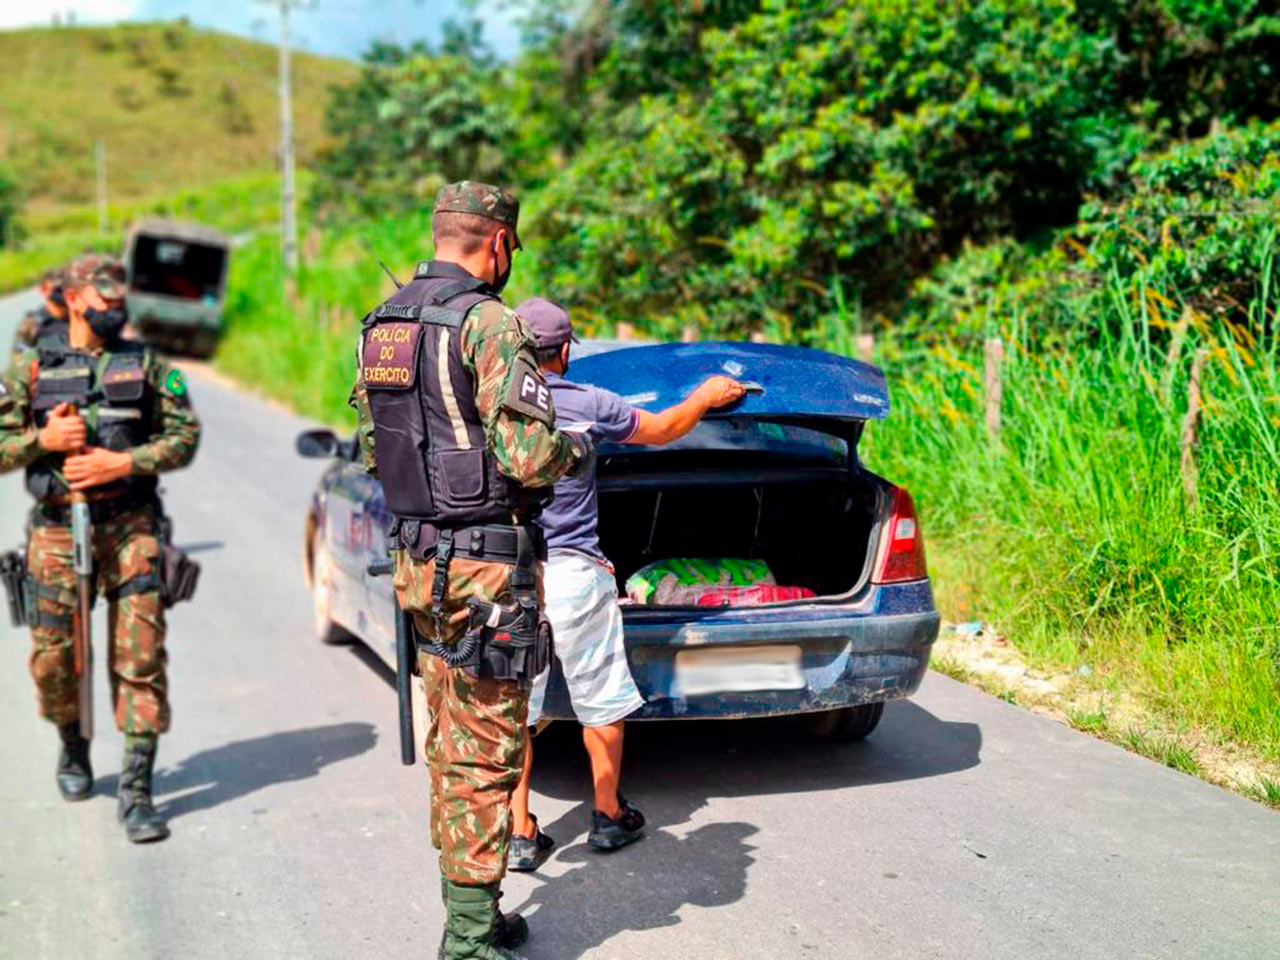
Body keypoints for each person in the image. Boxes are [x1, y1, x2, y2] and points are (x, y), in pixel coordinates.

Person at [351, 182, 594, 960]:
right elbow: (526, 453)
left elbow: (372, 448)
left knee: (452, 735)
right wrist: (576, 447)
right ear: (495, 243)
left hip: (419, 567)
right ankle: (467, 942)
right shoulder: (489, 323)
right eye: (509, 250)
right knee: (489, 747)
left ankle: (476, 911)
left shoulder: (381, 326)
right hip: (488, 569)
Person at [507, 297, 744, 869]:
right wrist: (707, 397)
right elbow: (663, 429)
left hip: (512, 574)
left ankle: (519, 832)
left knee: (515, 708)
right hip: (575, 575)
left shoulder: (492, 406)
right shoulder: (587, 401)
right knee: (600, 697)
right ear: (565, 350)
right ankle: (608, 815)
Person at [0, 253, 200, 843]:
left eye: (121, 301)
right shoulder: (30, 368)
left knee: (140, 659)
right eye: (107, 301)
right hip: (57, 534)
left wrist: (125, 460)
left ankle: (137, 792)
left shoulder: (145, 363)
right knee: (57, 660)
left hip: (131, 528)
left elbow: (183, 436)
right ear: (77, 297)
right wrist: (44, 438)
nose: (118, 311)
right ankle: (72, 748)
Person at [11, 266, 70, 368]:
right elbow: (19, 365)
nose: (62, 293)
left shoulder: (79, 314)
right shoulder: (33, 324)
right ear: (43, 289)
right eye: (58, 289)